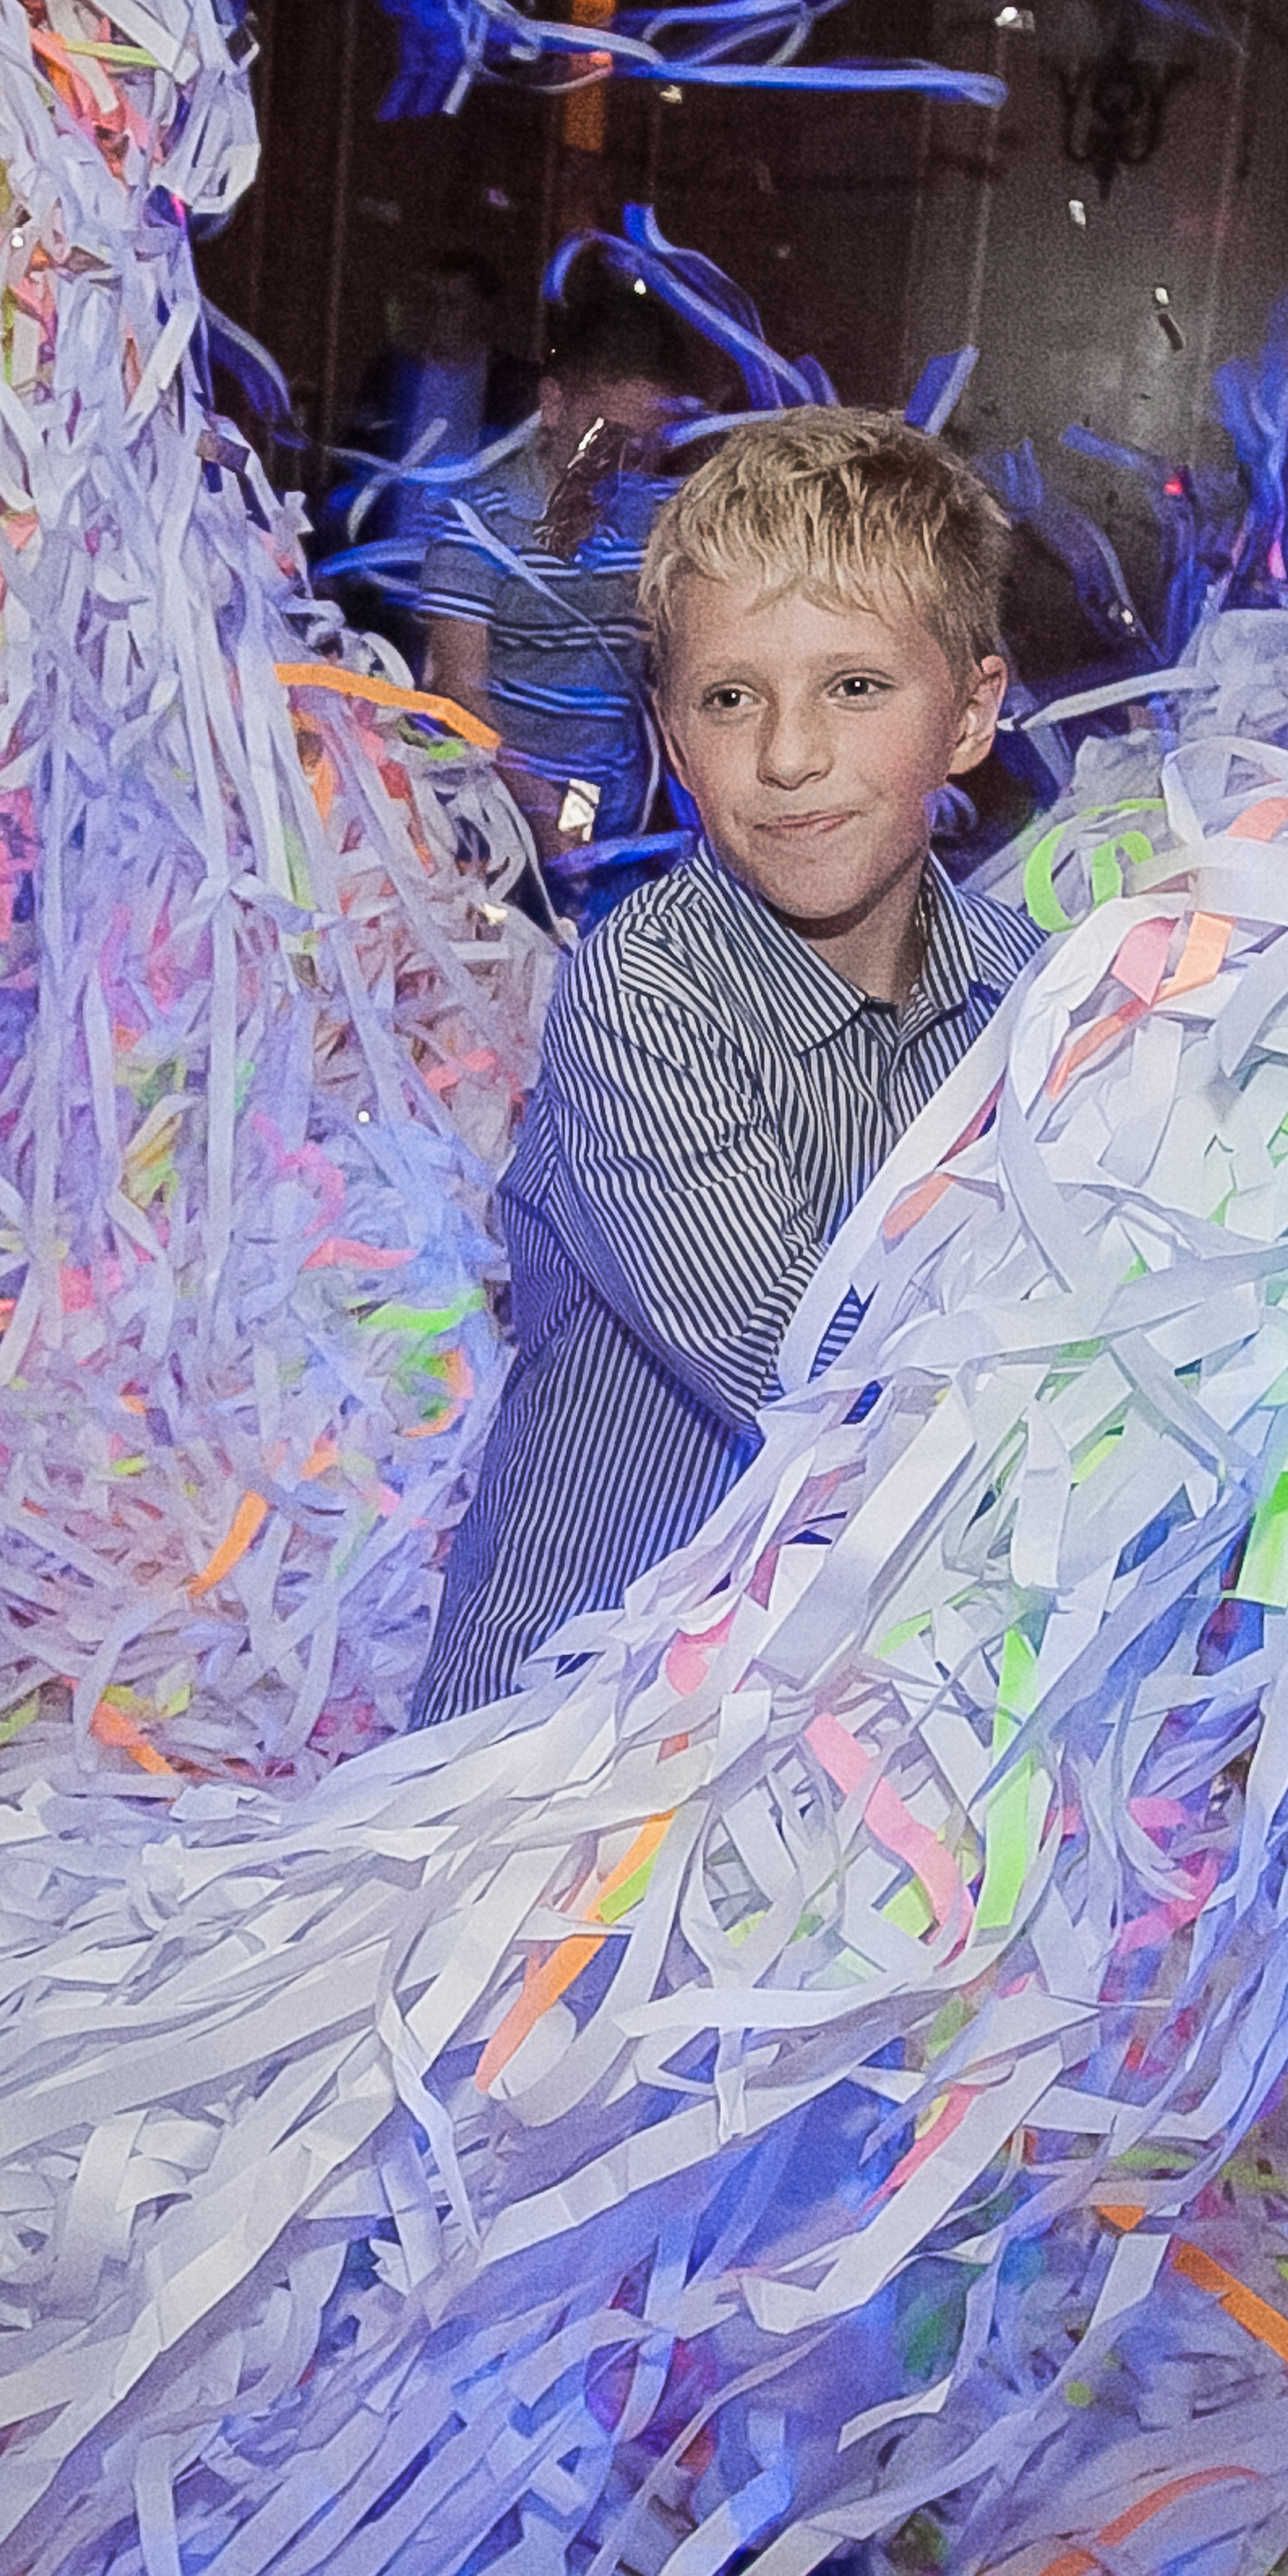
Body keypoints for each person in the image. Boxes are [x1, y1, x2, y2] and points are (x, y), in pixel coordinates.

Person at [411, 406, 1038, 1727]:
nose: (790, 754)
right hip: (567, 1745)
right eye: (731, 697)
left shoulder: (1031, 995)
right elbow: (807, 1366)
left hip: (844, 1749)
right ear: (675, 737)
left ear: (973, 710)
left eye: (855, 688)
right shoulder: (647, 989)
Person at [414, 292, 692, 899]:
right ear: (553, 403)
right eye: (608, 436)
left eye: (646, 443)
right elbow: (459, 687)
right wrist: (540, 809)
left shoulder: (656, 519)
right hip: (493, 828)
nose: (622, 463)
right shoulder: (474, 524)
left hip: (615, 827)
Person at [321, 249, 538, 654]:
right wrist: (331, 559)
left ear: (483, 312)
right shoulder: (387, 376)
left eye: (452, 303)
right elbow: (349, 472)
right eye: (431, 301)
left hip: (469, 593)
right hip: (381, 585)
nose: (438, 314)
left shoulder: (513, 389)